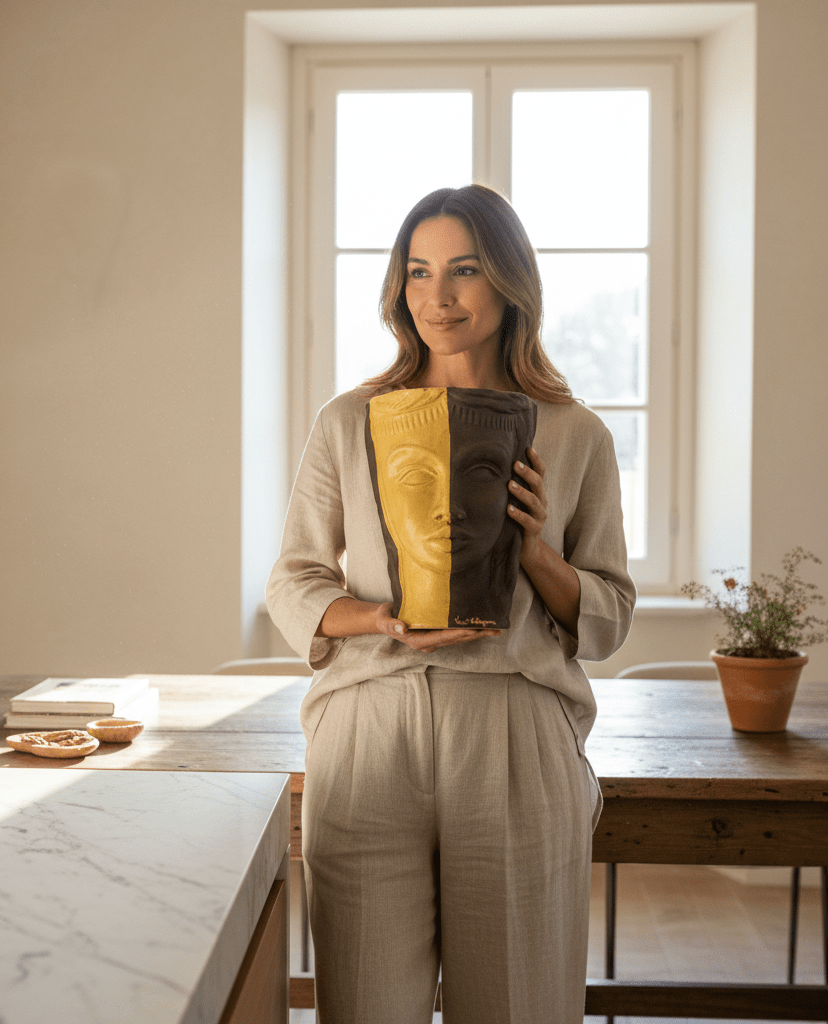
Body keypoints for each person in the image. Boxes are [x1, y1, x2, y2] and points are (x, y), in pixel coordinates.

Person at [266, 184, 635, 1024]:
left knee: (518, 1006)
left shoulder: (575, 434)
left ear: (509, 284)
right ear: (399, 287)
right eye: (418, 271)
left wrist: (535, 550)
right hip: (367, 728)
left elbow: (608, 618)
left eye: (464, 270)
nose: (438, 296)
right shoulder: (347, 421)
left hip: (516, 731)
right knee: (363, 1007)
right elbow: (294, 580)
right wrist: (383, 621)